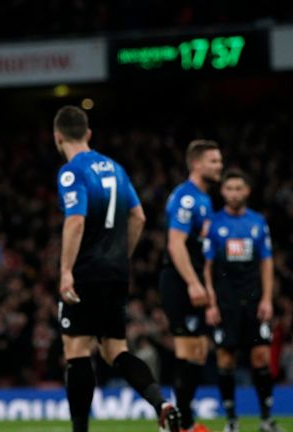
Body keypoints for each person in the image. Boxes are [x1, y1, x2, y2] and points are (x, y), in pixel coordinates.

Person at [52, 106, 180, 432]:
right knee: (115, 350)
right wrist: (123, 255)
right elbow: (139, 217)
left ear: (58, 137)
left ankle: (80, 430)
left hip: (85, 272)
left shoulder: (72, 171)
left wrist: (66, 269)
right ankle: (161, 403)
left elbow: (76, 219)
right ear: (89, 134)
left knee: (77, 350)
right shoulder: (115, 168)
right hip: (116, 273)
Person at [203, 169, 281, 432]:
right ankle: (232, 421)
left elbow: (267, 262)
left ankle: (266, 420)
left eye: (239, 188)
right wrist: (211, 303)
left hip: (255, 300)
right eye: (229, 188)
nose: (234, 193)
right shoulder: (213, 223)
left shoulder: (258, 222)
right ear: (223, 192)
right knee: (225, 360)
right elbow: (207, 266)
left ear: (247, 191)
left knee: (260, 357)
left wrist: (268, 299)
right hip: (225, 303)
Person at [159, 139, 223, 432]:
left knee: (199, 350)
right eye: (213, 161)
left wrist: (207, 288)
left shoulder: (205, 199)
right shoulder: (186, 198)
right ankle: (177, 424)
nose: (219, 166)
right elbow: (176, 244)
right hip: (179, 281)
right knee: (187, 349)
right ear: (196, 163)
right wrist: (194, 284)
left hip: (195, 282)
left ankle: (183, 418)